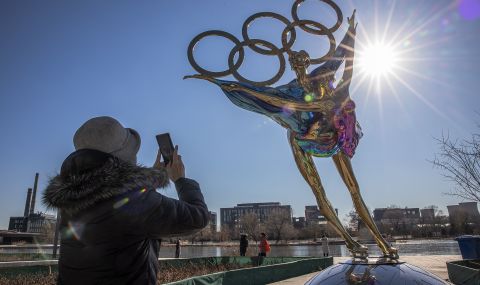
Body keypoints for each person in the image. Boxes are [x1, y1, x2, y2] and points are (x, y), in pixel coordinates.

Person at [186, 11, 398, 259]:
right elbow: (262, 95)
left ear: (307, 62)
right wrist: (224, 83)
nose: (297, 63)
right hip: (303, 142)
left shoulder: (323, 75)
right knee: (319, 192)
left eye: (301, 59)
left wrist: (352, 31)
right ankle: (351, 243)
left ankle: (382, 244)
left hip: (331, 136)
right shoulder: (288, 91)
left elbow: (343, 56)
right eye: (294, 61)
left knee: (354, 188)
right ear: (291, 65)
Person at [43, 116, 209, 285]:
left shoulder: (71, 201)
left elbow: (119, 222)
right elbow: (198, 218)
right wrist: (181, 180)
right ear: (123, 156)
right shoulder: (136, 202)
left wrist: (148, 183)